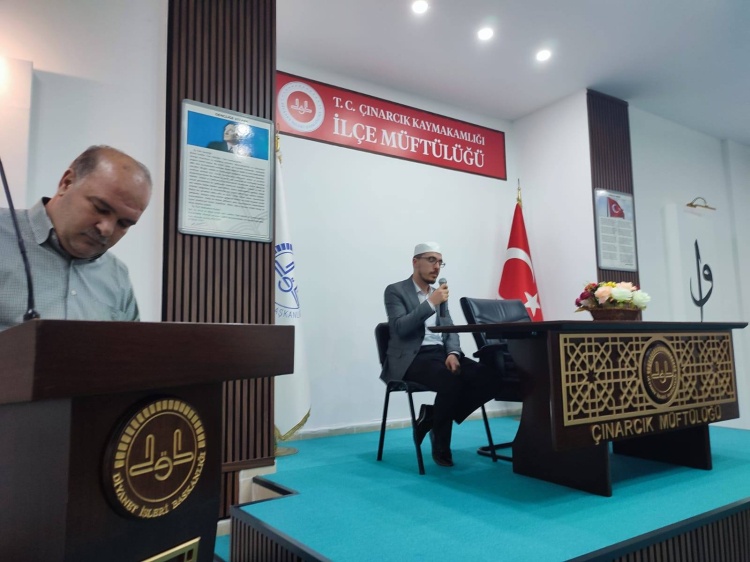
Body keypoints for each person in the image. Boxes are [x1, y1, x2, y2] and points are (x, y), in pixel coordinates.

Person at [0, 145, 152, 331]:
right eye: (100, 208)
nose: (106, 229)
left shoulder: (117, 275)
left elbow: (129, 346)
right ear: (67, 182)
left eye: (124, 223)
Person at [381, 242, 502, 467]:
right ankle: (441, 444)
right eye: (431, 260)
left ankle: (432, 418)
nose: (436, 267)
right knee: (450, 382)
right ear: (415, 262)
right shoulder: (396, 291)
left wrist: (453, 352)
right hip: (412, 358)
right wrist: (430, 303)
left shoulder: (439, 294)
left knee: (491, 378)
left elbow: (449, 328)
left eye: (439, 262)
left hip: (440, 353)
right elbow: (399, 328)